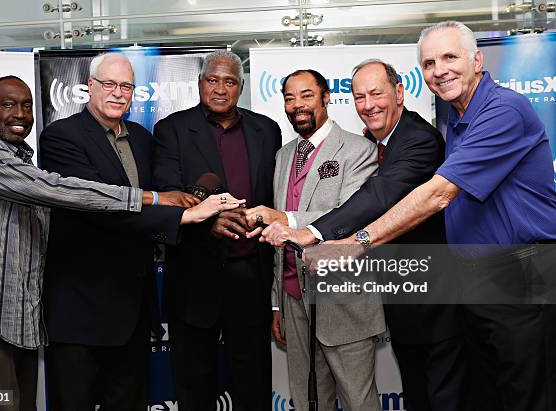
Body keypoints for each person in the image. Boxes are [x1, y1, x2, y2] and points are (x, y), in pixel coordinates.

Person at [286, 21, 556, 411]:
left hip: (520, 276)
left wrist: (354, 242)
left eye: (450, 57)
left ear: (477, 60)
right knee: (485, 397)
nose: (439, 70)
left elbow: (437, 194)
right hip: (476, 281)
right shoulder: (455, 115)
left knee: (526, 398)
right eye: (429, 63)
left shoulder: (504, 109)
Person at [0, 75, 235, 411]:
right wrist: (154, 198)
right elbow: (62, 190)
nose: (20, 114)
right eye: (8, 105)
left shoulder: (20, 157)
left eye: (27, 105)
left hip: (16, 322)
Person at [38, 53, 241, 411]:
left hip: (133, 310)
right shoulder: (60, 137)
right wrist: (181, 218)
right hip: (80, 311)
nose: (118, 93)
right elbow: (99, 207)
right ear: (90, 87)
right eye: (109, 84)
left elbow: (155, 203)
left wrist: (200, 210)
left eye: (127, 86)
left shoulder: (143, 140)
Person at [263, 60, 467, 411]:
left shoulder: (416, 139)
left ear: (400, 93)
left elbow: (376, 198)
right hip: (393, 296)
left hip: (428, 295)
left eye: (376, 94)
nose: (368, 104)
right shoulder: (371, 141)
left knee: (439, 394)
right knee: (412, 389)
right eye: (360, 96)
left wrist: (310, 231)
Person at [151, 50, 282, 410]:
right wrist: (209, 221)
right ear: (199, 84)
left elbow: (274, 195)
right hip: (194, 274)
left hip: (250, 275)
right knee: (194, 384)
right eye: (213, 80)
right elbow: (166, 191)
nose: (220, 89)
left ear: (241, 87)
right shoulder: (171, 130)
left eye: (230, 81)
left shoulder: (266, 130)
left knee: (253, 381)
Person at [243, 69, 380, 411]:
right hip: (293, 298)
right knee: (306, 402)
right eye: (290, 98)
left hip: (343, 300)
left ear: (326, 98)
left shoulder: (359, 149)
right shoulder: (283, 155)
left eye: (306, 95)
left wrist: (284, 219)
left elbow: (350, 216)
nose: (297, 105)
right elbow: (277, 242)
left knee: (359, 401)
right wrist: (277, 304)